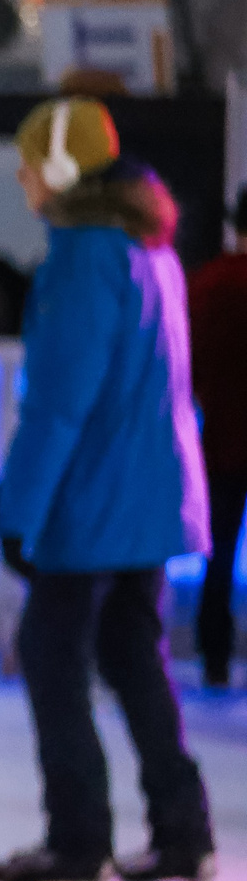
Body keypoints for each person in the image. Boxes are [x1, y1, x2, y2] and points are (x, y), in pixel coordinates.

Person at [0, 95, 219, 881]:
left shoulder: (84, 255)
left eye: (28, 165)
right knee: (133, 657)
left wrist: (18, 511)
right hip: (148, 503)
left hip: (92, 507)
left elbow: (60, 402)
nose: (21, 180)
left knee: (53, 660)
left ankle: (79, 846)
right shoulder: (148, 247)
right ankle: (185, 837)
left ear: (61, 170)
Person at [187, 187, 247, 689]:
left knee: (219, 551)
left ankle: (215, 653)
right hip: (227, 434)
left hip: (223, 437)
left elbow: (191, 363)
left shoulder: (210, 283)